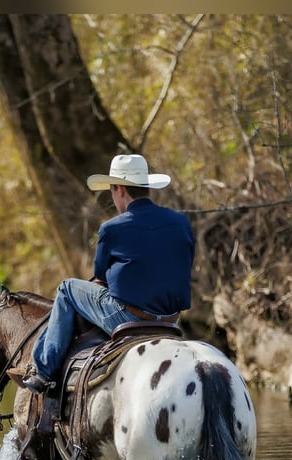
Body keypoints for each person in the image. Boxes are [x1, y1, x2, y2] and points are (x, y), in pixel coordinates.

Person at [22, 154, 196, 394]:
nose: (112, 198)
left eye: (111, 191)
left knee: (67, 288)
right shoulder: (181, 222)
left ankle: (43, 371)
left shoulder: (112, 228)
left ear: (119, 189)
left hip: (129, 317)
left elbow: (100, 276)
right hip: (171, 319)